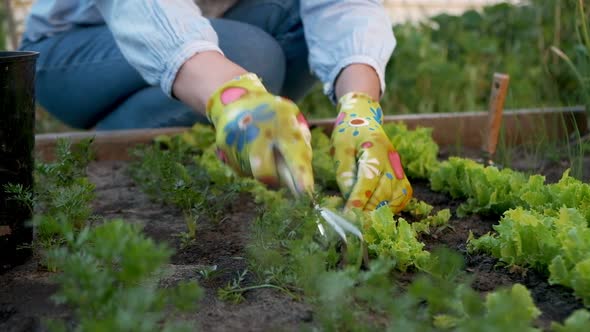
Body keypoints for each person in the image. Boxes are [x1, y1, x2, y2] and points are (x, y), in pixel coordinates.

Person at [19, 0, 413, 212]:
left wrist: (360, 108)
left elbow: (341, 6)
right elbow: (147, 9)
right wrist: (233, 95)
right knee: (252, 56)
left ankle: (213, 123)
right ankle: (116, 141)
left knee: (294, 24)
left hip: (214, 24)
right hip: (68, 51)